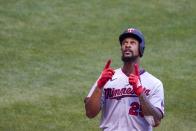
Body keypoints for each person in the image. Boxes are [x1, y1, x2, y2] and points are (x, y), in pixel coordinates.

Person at [84, 27, 165, 131]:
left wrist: (140, 93)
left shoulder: (154, 83)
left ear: (141, 48)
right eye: (124, 43)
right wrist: (99, 86)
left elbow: (154, 121)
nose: (127, 45)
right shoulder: (107, 77)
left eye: (132, 42)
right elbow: (90, 113)